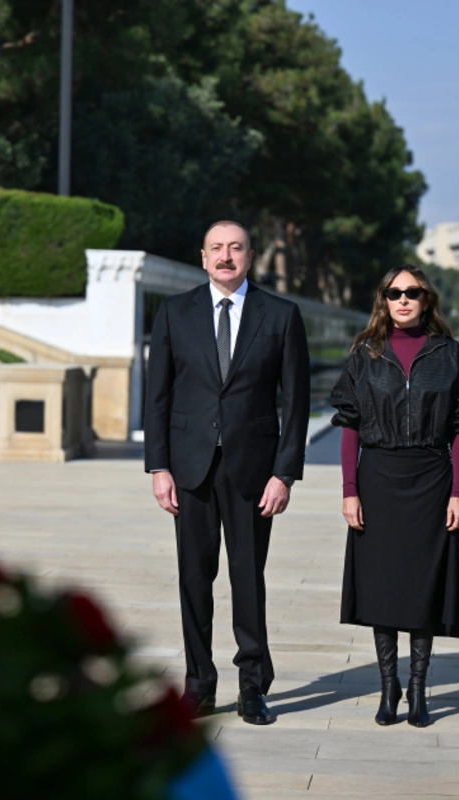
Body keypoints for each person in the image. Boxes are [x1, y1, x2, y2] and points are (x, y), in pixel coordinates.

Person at [144, 221, 310, 726]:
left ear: (251, 256)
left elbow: (296, 403)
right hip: (189, 469)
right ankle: (198, 684)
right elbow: (158, 397)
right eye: (216, 248)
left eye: (235, 248)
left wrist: (284, 474)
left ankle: (252, 686)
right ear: (202, 257)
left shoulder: (280, 315)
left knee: (247, 579)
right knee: (194, 579)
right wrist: (159, 466)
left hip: (253, 472)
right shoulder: (174, 313)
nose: (225, 256)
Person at [329, 265, 459, 728]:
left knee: (421, 586)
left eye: (412, 292)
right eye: (393, 292)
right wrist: (350, 491)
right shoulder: (366, 352)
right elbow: (350, 426)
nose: (402, 300)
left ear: (426, 299)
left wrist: (458, 492)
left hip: (431, 480)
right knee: (381, 586)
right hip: (378, 478)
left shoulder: (448, 354)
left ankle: (417, 689)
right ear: (384, 299)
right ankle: (387, 687)